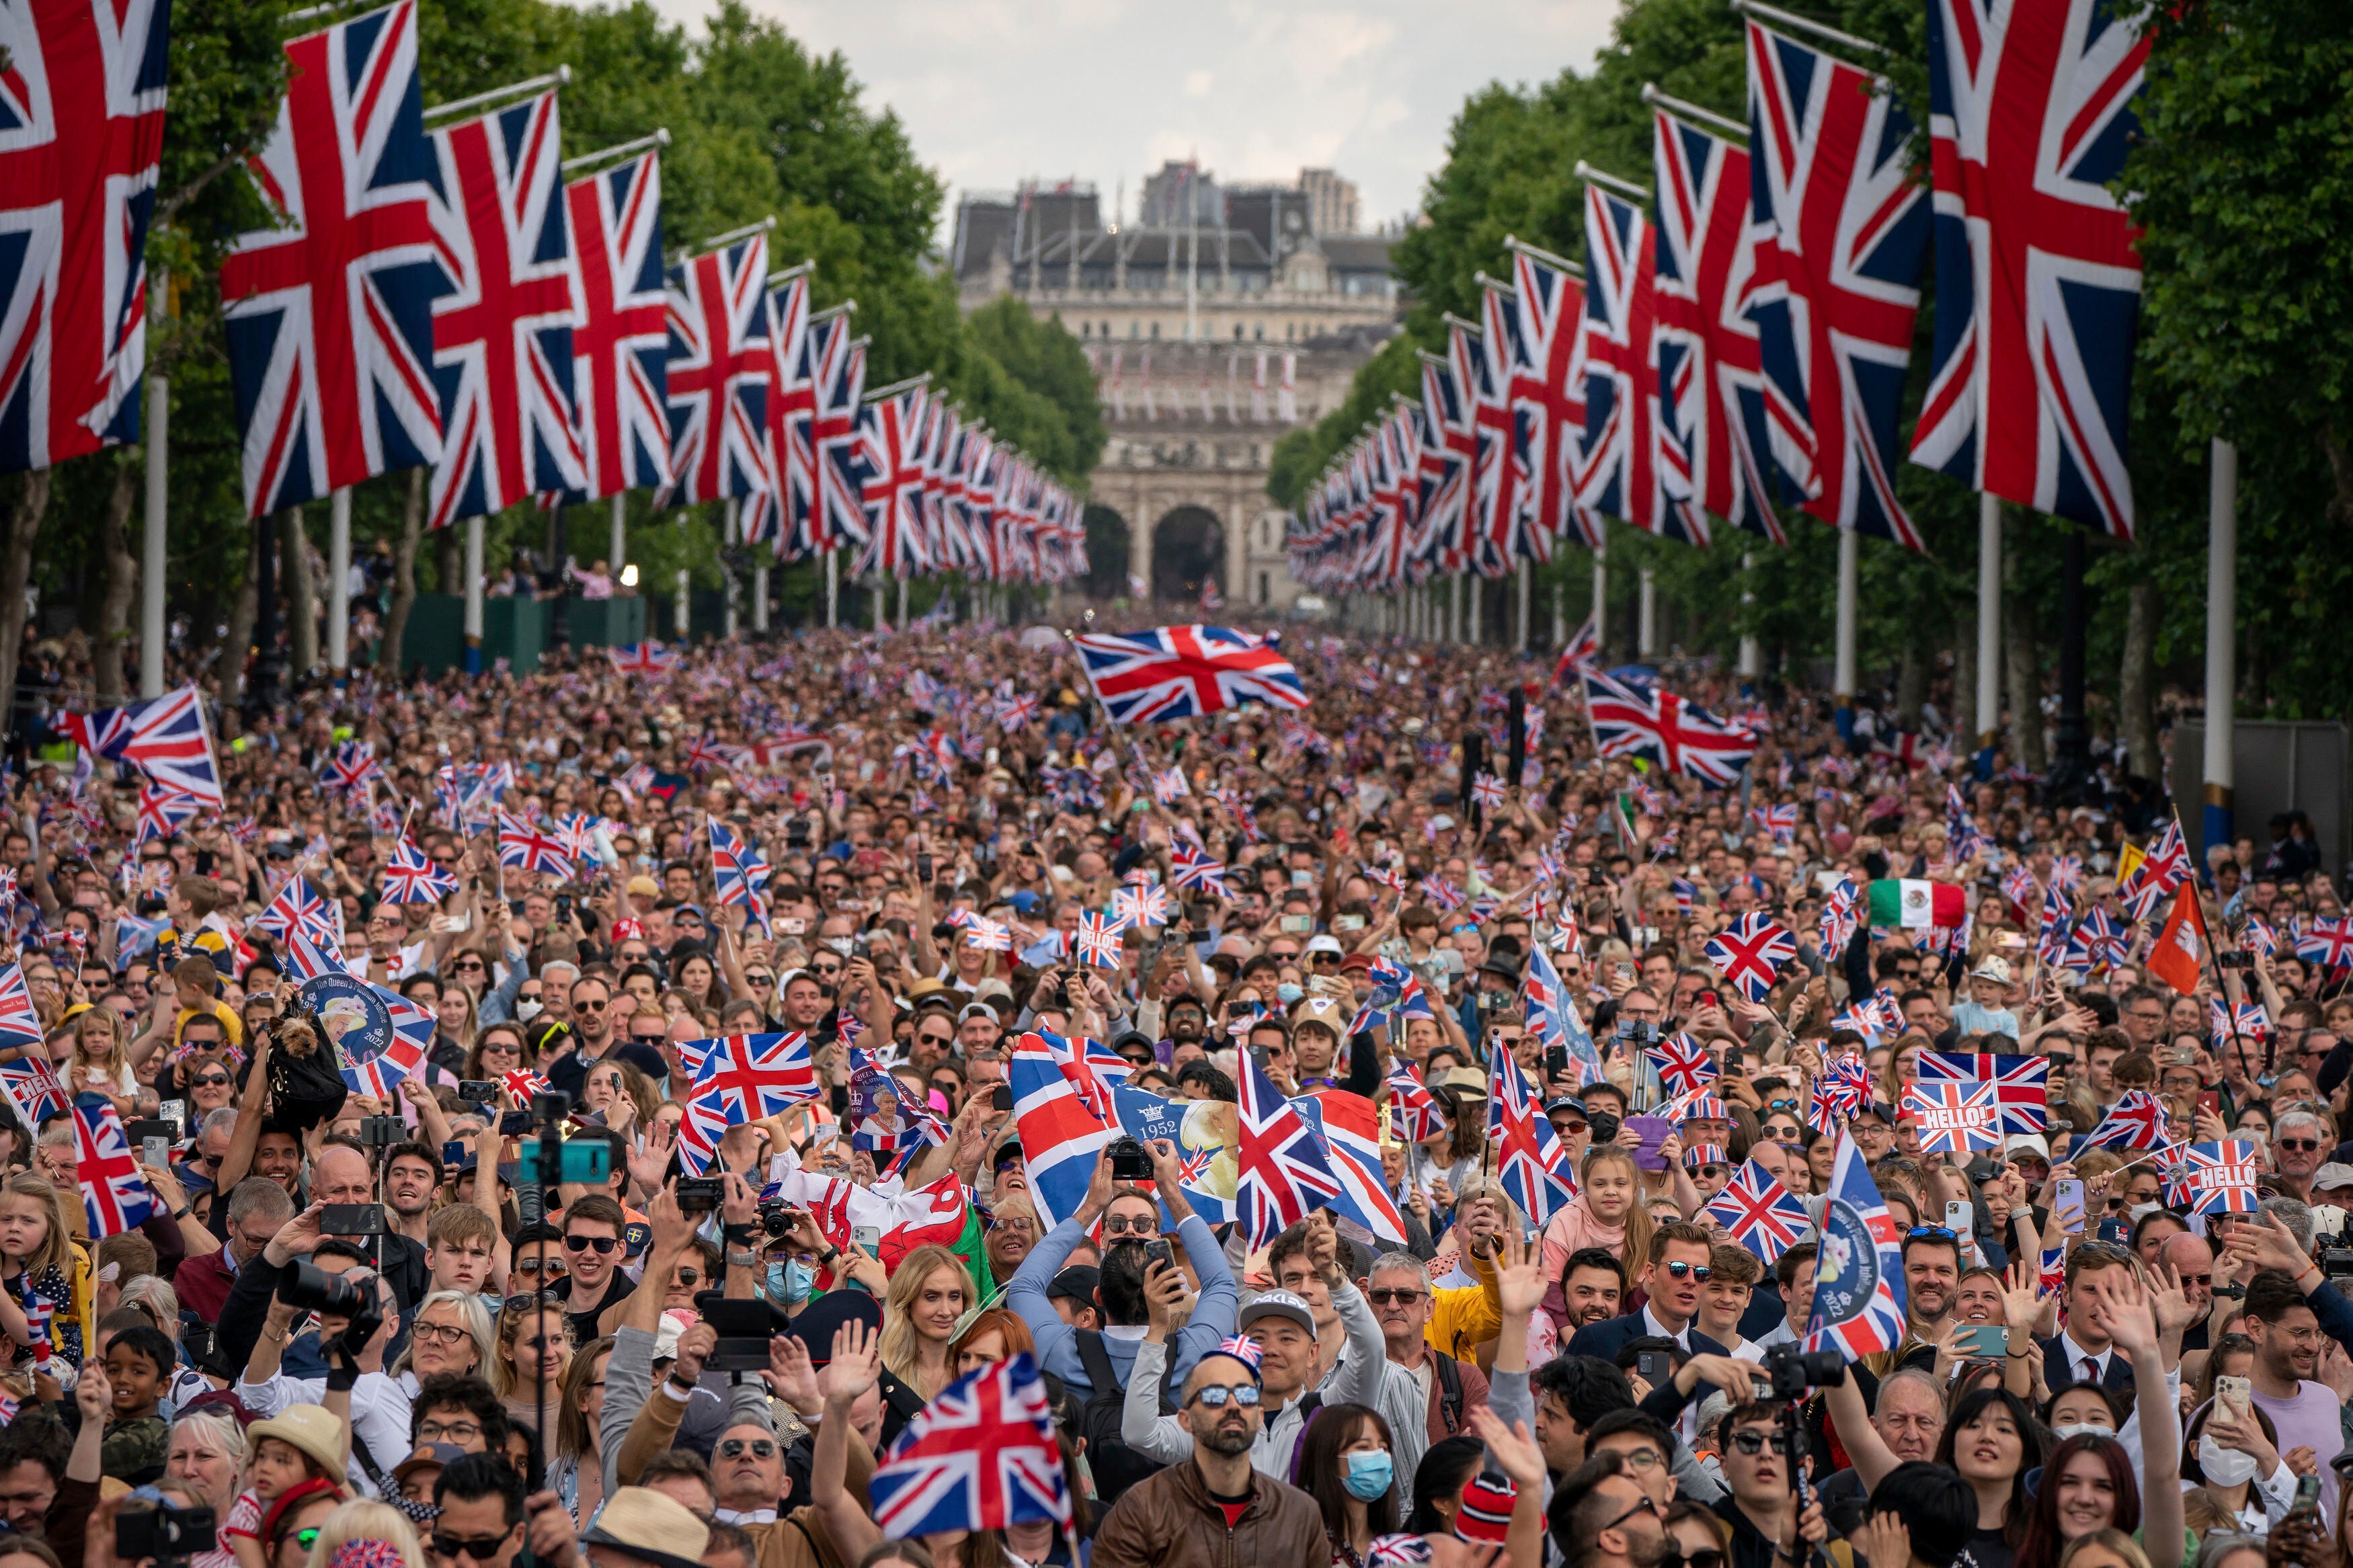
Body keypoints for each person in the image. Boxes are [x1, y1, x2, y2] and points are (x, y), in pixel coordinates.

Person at [1086, 1335, 1334, 1568]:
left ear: (1259, 1417)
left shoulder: (1300, 1514)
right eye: (1214, 1396)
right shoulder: (1141, 1510)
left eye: (1246, 1396)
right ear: (1185, 1420)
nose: (1233, 1406)